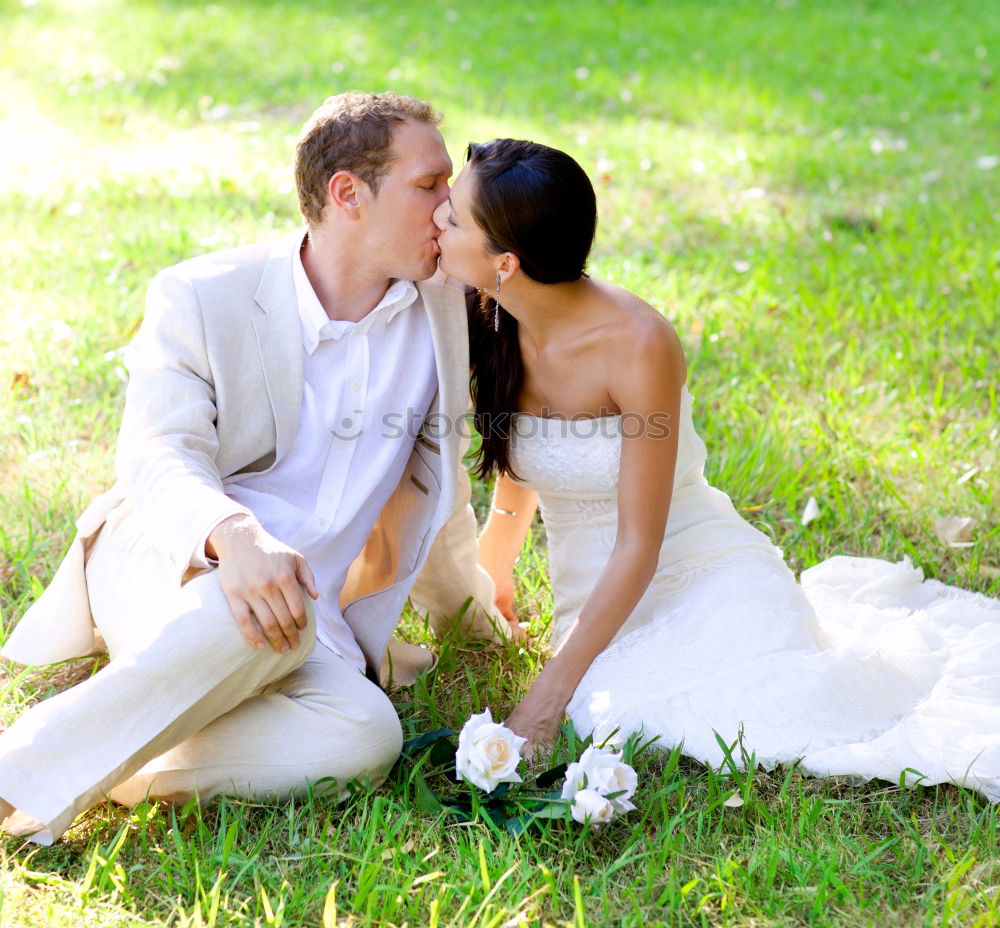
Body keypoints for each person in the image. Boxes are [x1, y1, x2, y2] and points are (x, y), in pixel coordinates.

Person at [0, 92, 511, 845]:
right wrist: (233, 536)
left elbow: (441, 496)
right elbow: (157, 451)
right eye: (429, 185)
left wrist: (473, 617)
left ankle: (115, 749)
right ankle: (15, 777)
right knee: (260, 608)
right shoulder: (202, 293)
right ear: (348, 194)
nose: (448, 209)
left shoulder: (444, 311)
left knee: (365, 736)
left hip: (307, 615)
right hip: (173, 556)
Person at [433, 137, 1000, 800]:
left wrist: (545, 695)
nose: (436, 223)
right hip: (592, 593)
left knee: (736, 710)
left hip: (697, 566)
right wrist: (494, 577)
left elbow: (640, 543)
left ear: (505, 261)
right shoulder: (490, 315)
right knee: (620, 712)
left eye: (453, 220)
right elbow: (521, 462)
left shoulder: (639, 344)